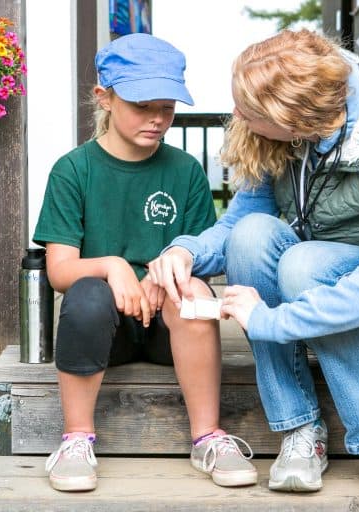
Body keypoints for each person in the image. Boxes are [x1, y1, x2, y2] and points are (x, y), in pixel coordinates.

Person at [149, 30, 359, 500]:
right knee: (253, 236)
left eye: (248, 110)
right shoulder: (289, 138)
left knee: (304, 264)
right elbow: (240, 225)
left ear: (294, 118)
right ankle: (301, 429)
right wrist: (182, 251)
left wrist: (270, 320)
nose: (237, 116)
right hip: (331, 286)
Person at [33, 33, 257, 492]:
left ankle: (208, 437)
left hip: (167, 330)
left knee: (193, 291)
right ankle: (76, 439)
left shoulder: (185, 171)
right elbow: (59, 269)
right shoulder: (74, 170)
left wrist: (169, 272)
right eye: (142, 105)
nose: (157, 119)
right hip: (102, 332)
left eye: (167, 107)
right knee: (88, 292)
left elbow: (200, 257)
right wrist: (113, 265)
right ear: (105, 98)